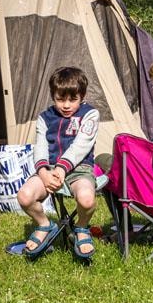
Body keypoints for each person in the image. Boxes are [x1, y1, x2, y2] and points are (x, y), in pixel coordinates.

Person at [17, 66, 99, 259]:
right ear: (53, 95)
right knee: (24, 196)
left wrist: (62, 169)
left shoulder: (90, 114)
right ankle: (45, 224)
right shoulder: (45, 118)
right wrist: (44, 172)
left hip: (80, 169)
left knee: (87, 200)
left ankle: (81, 227)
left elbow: (81, 145)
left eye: (73, 99)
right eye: (60, 99)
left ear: (82, 95)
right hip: (50, 169)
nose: (66, 105)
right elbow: (41, 146)